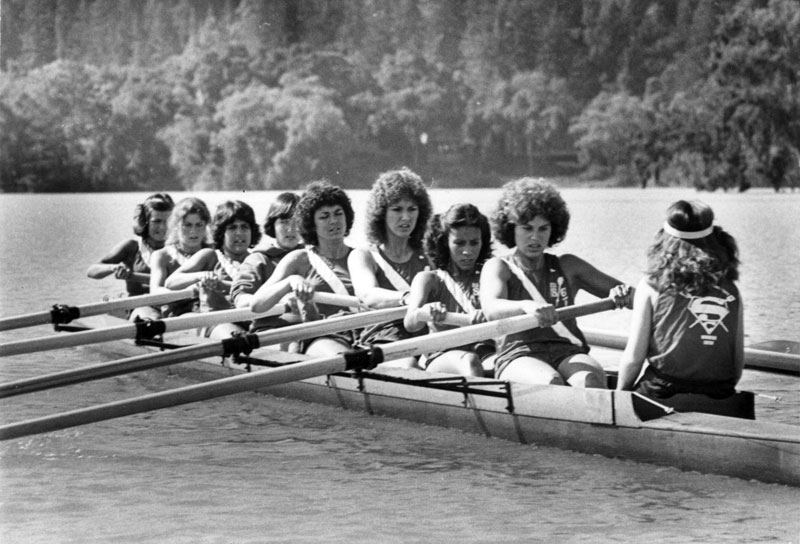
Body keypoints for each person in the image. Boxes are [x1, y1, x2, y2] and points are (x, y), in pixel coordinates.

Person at [480, 178, 633, 387]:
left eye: (543, 229)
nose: (535, 238)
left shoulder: (569, 266)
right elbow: (491, 308)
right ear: (511, 228)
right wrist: (527, 306)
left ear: (554, 229)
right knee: (550, 381)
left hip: (568, 351)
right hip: (519, 355)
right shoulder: (498, 266)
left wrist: (621, 293)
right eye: (527, 228)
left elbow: (637, 298)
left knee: (590, 380)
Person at [617, 200, 743, 398]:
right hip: (720, 392)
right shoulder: (731, 289)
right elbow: (737, 364)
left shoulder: (651, 284)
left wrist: (619, 395)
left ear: (664, 239)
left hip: (664, 389)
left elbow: (634, 359)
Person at [250, 181, 357, 357]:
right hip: (321, 337)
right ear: (311, 224)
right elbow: (256, 304)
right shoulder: (299, 259)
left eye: (338, 213)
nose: (334, 221)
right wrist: (291, 281)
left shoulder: (361, 257)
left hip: (361, 334)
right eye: (324, 216)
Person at [348, 168, 432, 369]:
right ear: (381, 213)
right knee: (410, 365)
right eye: (397, 209)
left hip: (427, 339)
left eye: (412, 209)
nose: (406, 217)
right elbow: (368, 295)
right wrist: (408, 298)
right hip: (384, 338)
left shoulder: (430, 255)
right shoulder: (363, 256)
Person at [404, 204, 494, 377]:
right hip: (442, 355)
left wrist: (490, 313)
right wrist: (426, 311)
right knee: (470, 362)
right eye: (459, 243)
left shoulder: (492, 275)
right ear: (445, 242)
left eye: (474, 243)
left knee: (505, 367)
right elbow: (410, 323)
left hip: (486, 352)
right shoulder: (429, 279)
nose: (468, 251)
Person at [165, 200, 260, 338]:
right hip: (217, 323)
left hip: (251, 323)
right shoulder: (209, 256)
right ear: (221, 232)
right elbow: (170, 282)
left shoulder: (258, 260)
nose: (239, 233)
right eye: (232, 228)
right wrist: (201, 276)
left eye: (244, 227)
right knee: (236, 338)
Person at [87, 193, 174, 320]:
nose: (163, 227)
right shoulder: (131, 247)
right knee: (152, 317)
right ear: (144, 221)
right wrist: (114, 268)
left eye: (168, 221)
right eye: (157, 221)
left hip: (172, 306)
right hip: (141, 306)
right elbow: (91, 271)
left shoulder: (179, 248)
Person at [230, 192, 302, 333]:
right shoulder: (258, 259)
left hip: (312, 328)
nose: (291, 229)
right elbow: (241, 301)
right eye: (284, 222)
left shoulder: (313, 257)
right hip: (273, 330)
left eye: (297, 222)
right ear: (272, 225)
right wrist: (278, 298)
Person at [149, 197, 211, 317]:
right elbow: (155, 292)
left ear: (205, 226)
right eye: (187, 225)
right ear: (176, 226)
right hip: (177, 315)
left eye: (199, 225)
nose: (193, 231)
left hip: (208, 313)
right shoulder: (161, 256)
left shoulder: (214, 253)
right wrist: (189, 291)